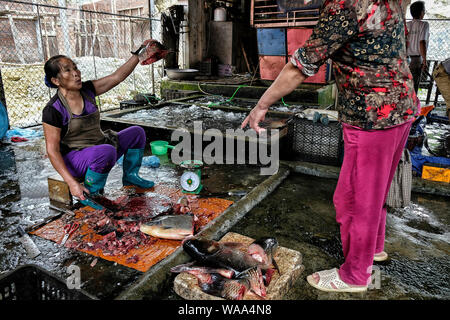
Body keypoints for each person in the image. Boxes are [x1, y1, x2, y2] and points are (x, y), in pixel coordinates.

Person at [241, 0, 419, 292]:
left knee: (352, 201)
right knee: (375, 192)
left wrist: (261, 105)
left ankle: (355, 276)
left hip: (370, 116)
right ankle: (372, 249)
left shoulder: (343, 6)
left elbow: (300, 67)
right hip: (401, 108)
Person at [42, 39, 161, 210]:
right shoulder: (53, 110)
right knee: (105, 151)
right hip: (75, 159)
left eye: (75, 67)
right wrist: (72, 183)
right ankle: (92, 194)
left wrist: (140, 53)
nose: (76, 73)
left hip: (99, 147)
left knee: (137, 133)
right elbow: (52, 151)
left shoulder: (88, 90)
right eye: (67, 70)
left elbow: (117, 77)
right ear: (55, 81)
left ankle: (131, 176)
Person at [406, 1, 430, 93]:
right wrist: (424, 60)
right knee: (414, 86)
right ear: (421, 12)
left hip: (405, 59)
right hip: (416, 59)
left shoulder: (407, 24)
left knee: (406, 85)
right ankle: (413, 106)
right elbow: (422, 42)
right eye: (424, 10)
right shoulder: (424, 24)